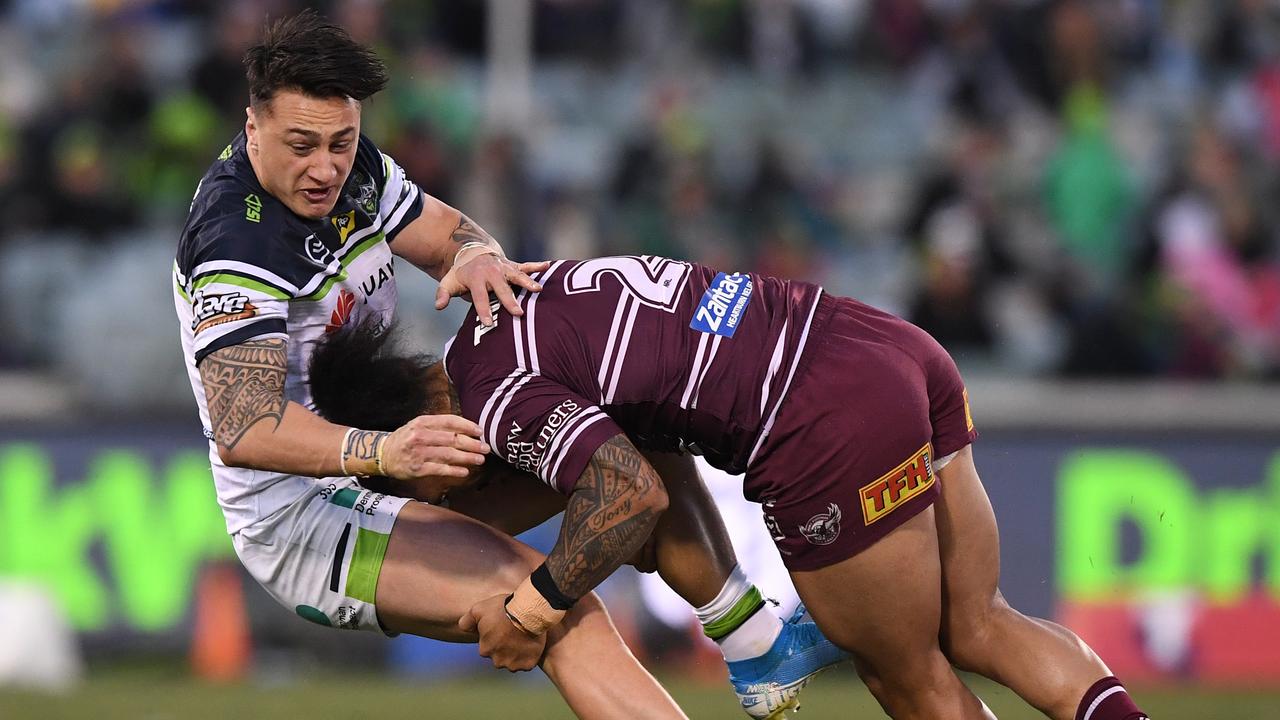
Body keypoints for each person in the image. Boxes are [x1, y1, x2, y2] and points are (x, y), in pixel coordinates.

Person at [173, 12, 839, 719]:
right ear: (251, 130)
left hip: (403, 455)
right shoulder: (234, 246)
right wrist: (384, 448)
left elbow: (444, 232)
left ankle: (756, 642)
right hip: (307, 520)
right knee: (550, 604)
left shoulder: (355, 173)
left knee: (628, 430)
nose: (326, 167)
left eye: (342, 142)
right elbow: (244, 426)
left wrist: (476, 255)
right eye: (301, 145)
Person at [308, 255, 1151, 720]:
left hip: (820, 423)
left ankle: (760, 648)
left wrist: (537, 604)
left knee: (909, 677)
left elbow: (629, 493)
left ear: (419, 421)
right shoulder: (511, 305)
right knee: (981, 624)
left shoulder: (496, 399)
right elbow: (636, 455)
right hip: (881, 343)